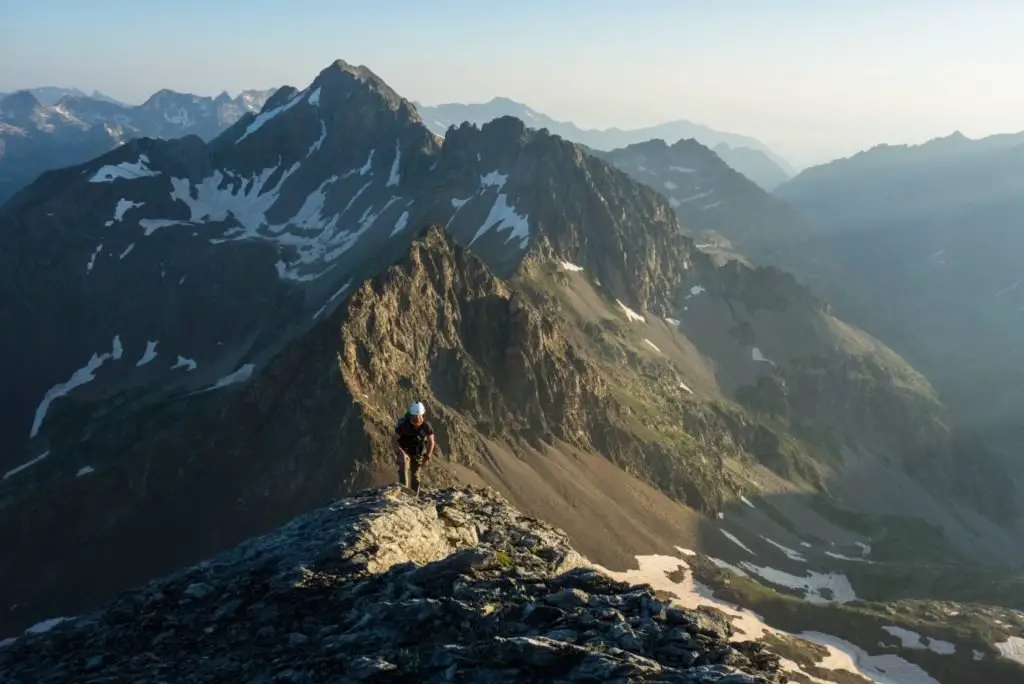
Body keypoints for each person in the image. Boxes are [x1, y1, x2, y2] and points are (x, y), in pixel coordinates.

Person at [393, 401, 435, 494]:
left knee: (415, 474)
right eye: (414, 420)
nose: (416, 423)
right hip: (404, 449)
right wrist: (402, 453)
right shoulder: (404, 425)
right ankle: (403, 493)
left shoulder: (426, 426)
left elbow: (431, 442)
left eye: (418, 420)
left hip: (417, 451)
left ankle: (414, 495)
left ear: (422, 416)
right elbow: (394, 440)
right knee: (403, 467)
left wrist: (427, 456)